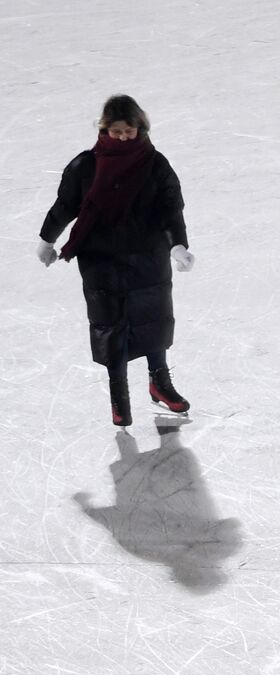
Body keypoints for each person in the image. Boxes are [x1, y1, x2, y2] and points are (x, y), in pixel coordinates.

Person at [38, 94, 194, 426]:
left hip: (147, 259)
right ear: (105, 129)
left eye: (130, 131)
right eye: (117, 131)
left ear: (141, 127)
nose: (124, 137)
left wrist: (177, 245)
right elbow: (65, 206)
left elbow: (171, 210)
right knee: (112, 329)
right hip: (101, 261)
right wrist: (46, 239)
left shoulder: (155, 164)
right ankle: (118, 398)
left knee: (152, 322)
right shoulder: (86, 166)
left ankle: (160, 383)